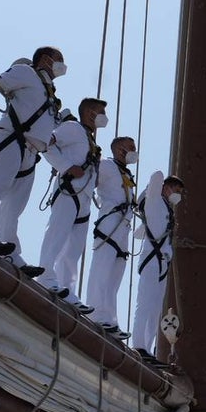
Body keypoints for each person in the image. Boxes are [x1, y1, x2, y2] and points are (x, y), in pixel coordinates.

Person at [0, 47, 66, 273]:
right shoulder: (26, 72)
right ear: (45, 59)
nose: (62, 65)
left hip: (31, 152)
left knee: (14, 208)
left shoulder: (50, 93)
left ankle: (12, 255)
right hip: (12, 139)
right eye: (59, 60)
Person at [35, 98, 106, 311]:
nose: (103, 117)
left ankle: (67, 289)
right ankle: (45, 276)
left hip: (83, 200)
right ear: (89, 113)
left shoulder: (89, 140)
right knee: (57, 234)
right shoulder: (73, 128)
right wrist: (66, 166)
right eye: (100, 112)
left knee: (74, 249)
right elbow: (47, 143)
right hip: (68, 191)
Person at [86, 135, 138, 335]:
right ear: (119, 149)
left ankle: (109, 318)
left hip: (123, 226)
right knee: (102, 267)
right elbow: (91, 178)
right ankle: (95, 312)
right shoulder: (107, 165)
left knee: (115, 274)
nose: (134, 151)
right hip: (109, 222)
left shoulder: (125, 173)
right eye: (130, 147)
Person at [131, 171, 184, 358]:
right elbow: (156, 176)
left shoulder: (166, 209)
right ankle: (138, 344)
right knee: (145, 303)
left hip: (162, 263)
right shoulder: (154, 200)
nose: (177, 195)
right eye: (175, 190)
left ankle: (147, 346)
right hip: (151, 260)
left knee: (155, 308)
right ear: (165, 187)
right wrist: (159, 187)